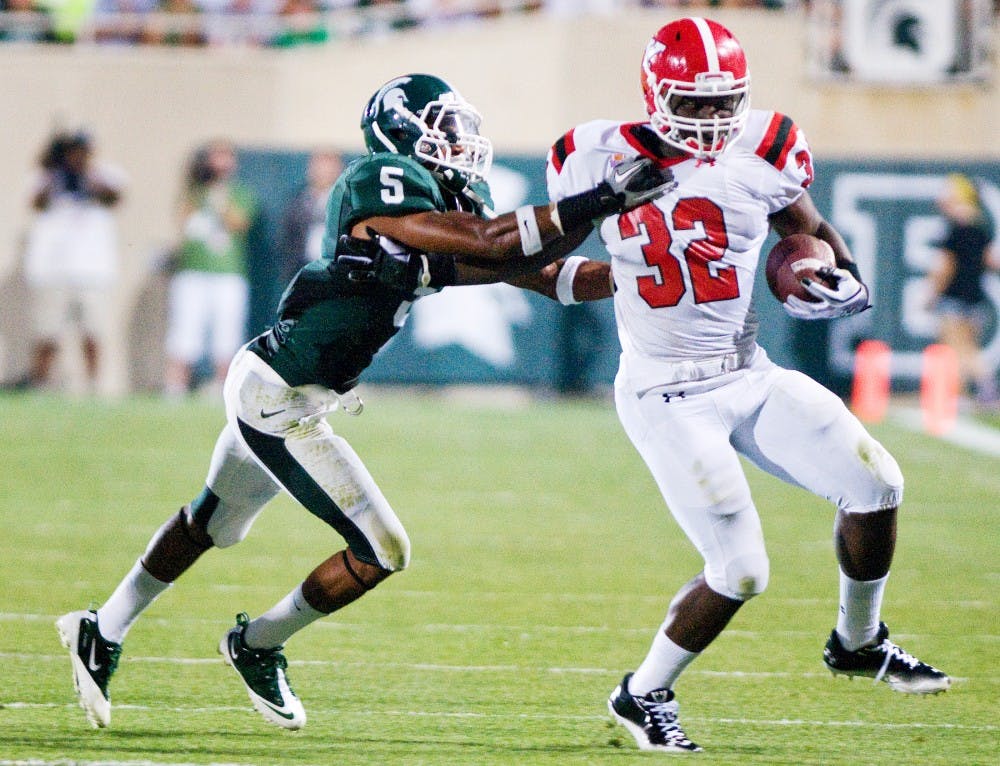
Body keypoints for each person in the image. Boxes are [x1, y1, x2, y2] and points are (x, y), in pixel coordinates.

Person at [55, 72, 673, 730]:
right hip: (279, 397)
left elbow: (540, 273)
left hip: (286, 385)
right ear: (404, 133)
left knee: (210, 522)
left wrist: (644, 276)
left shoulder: (451, 196)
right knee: (384, 548)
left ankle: (103, 627)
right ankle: (257, 644)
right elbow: (493, 243)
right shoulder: (378, 179)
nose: (462, 139)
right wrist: (598, 199)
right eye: (445, 126)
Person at [516, 16, 951, 753]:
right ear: (656, 93)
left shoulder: (768, 144)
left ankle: (858, 640)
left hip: (748, 374)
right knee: (742, 570)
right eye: (696, 103)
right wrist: (603, 274)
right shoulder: (596, 153)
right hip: (664, 393)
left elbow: (807, 229)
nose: (715, 120)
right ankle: (642, 692)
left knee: (877, 483)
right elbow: (531, 254)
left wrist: (836, 278)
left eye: (727, 102)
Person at [21, 131, 125, 392]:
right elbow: (35, 200)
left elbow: (115, 195)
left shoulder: (100, 174)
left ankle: (92, 384)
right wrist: (55, 168)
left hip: (92, 270)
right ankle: (41, 383)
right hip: (53, 270)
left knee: (93, 331)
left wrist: (86, 172)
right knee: (48, 332)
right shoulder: (49, 177)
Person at [163, 139, 257, 397]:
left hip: (227, 273)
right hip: (193, 271)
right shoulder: (193, 192)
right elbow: (182, 221)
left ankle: (223, 386)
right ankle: (176, 385)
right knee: (185, 329)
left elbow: (240, 222)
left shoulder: (239, 192)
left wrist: (220, 198)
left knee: (226, 333)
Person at [927, 173, 998, 406]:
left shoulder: (955, 229)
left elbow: (945, 267)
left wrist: (932, 294)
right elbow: (990, 260)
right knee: (968, 348)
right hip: (975, 297)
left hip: (955, 297)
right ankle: (974, 392)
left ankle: (974, 391)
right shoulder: (981, 227)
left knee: (958, 349)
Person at [277, 148, 342, 287]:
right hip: (302, 268)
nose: (323, 173)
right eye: (319, 167)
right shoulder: (299, 200)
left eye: (328, 168)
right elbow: (288, 237)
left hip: (335, 270)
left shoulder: (346, 202)